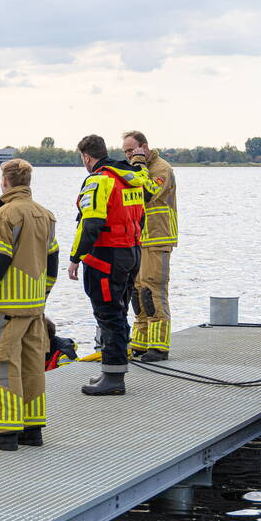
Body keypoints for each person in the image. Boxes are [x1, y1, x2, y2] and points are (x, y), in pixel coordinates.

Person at [0, 159, 59, 451]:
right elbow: (53, 260)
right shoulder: (45, 215)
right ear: (28, 182)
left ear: (5, 181)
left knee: (5, 363)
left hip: (7, 306)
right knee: (33, 366)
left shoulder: (5, 215)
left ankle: (5, 431)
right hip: (35, 306)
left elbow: (0, 259)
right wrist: (43, 292)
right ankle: (33, 429)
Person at [68, 134, 158, 396]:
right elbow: (143, 206)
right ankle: (111, 368)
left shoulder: (99, 181)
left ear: (86, 157)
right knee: (118, 312)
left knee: (107, 314)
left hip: (106, 257)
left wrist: (75, 258)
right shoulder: (131, 177)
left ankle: (115, 378)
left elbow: (91, 223)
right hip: (130, 253)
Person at [122, 131, 178, 362]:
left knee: (153, 290)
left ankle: (159, 346)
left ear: (143, 147)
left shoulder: (160, 169)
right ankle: (141, 342)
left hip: (157, 237)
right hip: (139, 238)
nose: (128, 155)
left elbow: (147, 193)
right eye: (125, 152)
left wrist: (137, 166)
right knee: (137, 291)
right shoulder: (137, 169)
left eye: (131, 150)